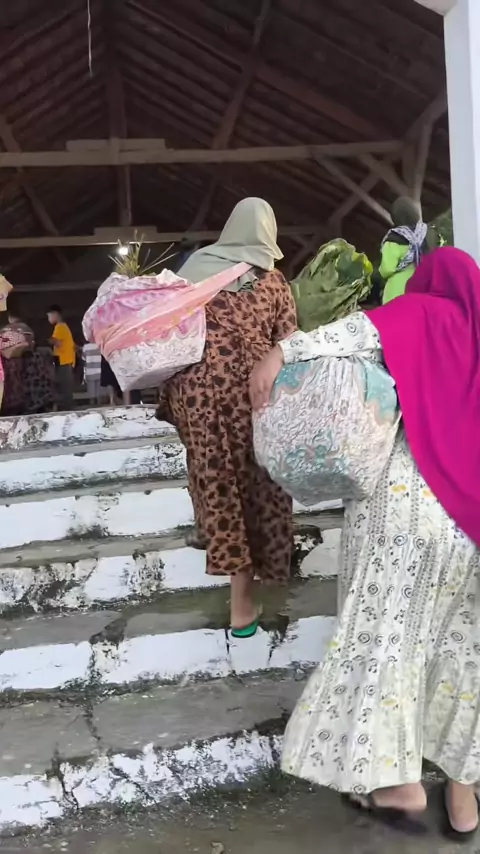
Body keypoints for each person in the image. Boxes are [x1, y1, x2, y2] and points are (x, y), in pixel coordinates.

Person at [250, 247, 480, 841]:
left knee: (384, 638)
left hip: (404, 505)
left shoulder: (424, 312)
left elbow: (356, 331)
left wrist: (281, 351)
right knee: (461, 654)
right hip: (471, 526)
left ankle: (394, 778)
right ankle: (464, 799)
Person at [157, 197, 297, 636]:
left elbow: (167, 331)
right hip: (254, 393)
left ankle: (217, 546)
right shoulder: (272, 281)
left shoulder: (194, 271)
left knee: (217, 482)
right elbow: (289, 340)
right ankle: (247, 600)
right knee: (260, 487)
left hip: (197, 394)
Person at [379, 196, 440, 304]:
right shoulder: (429, 234)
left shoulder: (393, 239)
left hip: (398, 292)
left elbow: (387, 269)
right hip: (425, 288)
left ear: (394, 216)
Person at [47, 305, 76, 411]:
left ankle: (66, 410)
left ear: (56, 314)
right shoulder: (64, 326)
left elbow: (57, 342)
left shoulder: (59, 327)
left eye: (49, 315)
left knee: (64, 388)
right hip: (67, 360)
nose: (49, 318)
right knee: (66, 387)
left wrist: (48, 340)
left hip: (63, 360)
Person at [82, 340, 102, 406]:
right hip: (99, 369)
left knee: (91, 387)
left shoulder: (85, 347)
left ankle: (92, 403)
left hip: (90, 370)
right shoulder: (99, 345)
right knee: (98, 386)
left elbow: (83, 358)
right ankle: (99, 402)